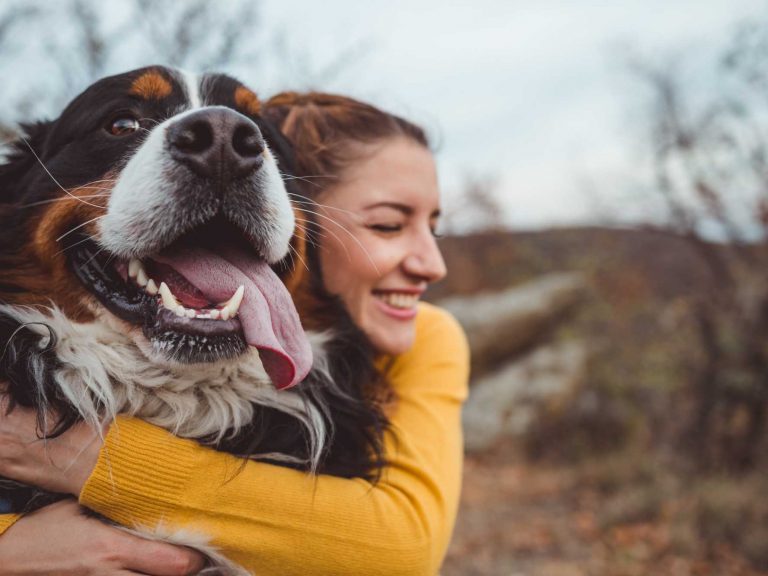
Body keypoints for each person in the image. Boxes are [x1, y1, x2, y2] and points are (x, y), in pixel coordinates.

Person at [0, 92, 469, 576]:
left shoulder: (426, 336)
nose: (432, 266)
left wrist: (77, 456)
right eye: (388, 225)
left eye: (432, 227)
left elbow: (403, 548)